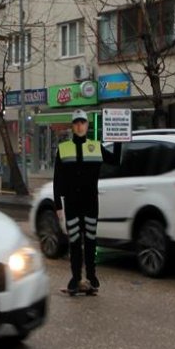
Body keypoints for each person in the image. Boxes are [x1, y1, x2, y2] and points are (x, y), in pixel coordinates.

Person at [53, 110, 120, 295]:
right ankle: (75, 278)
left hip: (91, 202)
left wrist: (120, 139)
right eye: (76, 123)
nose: (80, 126)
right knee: (74, 241)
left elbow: (115, 161)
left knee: (91, 241)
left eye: (82, 122)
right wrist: (58, 204)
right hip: (72, 203)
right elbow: (57, 179)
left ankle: (91, 277)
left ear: (87, 125)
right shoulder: (64, 148)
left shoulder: (96, 147)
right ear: (72, 126)